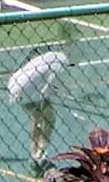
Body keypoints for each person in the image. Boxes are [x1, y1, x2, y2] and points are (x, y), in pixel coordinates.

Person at [7, 31, 70, 163]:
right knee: (50, 119)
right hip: (26, 90)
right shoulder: (62, 61)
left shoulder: (50, 55)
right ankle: (41, 152)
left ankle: (34, 152)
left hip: (14, 85)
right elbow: (50, 87)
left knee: (37, 117)